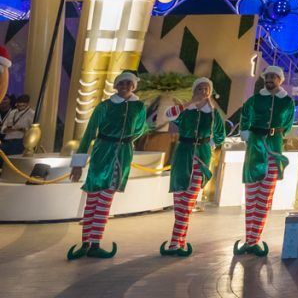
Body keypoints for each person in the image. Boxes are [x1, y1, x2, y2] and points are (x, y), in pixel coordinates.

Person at [67, 70, 148, 259]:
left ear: (134, 86)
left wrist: (125, 142)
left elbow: (139, 129)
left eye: (129, 84)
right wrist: (78, 164)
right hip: (102, 153)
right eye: (122, 83)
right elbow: (88, 134)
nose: (125, 86)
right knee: (92, 200)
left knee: (105, 201)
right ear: (116, 86)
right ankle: (86, 243)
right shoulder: (104, 106)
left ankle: (95, 243)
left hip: (122, 156)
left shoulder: (139, 107)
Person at [160, 77, 226, 257]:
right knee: (180, 199)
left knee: (188, 200)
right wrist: (190, 102)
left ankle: (174, 242)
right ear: (195, 90)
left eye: (206, 89)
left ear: (210, 92)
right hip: (182, 154)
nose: (203, 92)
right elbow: (169, 114)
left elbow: (221, 135)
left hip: (201, 158)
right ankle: (180, 241)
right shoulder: (185, 110)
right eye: (200, 89)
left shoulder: (213, 113)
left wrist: (209, 144)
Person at [235, 65, 296, 257]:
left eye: (273, 77)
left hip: (274, 149)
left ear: (280, 79)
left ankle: (254, 239)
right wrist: (246, 134)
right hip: (255, 148)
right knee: (251, 195)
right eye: (267, 76)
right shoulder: (254, 100)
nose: (270, 79)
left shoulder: (287, 102)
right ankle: (249, 239)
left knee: (265, 197)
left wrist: (276, 135)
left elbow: (287, 124)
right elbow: (244, 117)